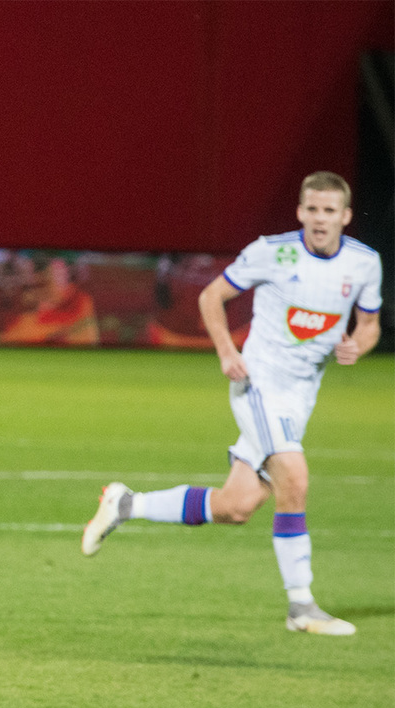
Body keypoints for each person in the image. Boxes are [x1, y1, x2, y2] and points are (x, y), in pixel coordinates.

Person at [82, 171, 383, 636]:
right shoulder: (272, 252)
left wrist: (358, 346)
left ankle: (125, 505)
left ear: (345, 216)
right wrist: (226, 351)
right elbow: (212, 297)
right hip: (259, 382)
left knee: (235, 506)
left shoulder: (364, 263)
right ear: (300, 212)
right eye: (312, 210)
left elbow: (370, 324)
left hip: (300, 397)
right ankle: (301, 606)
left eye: (329, 211)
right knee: (295, 477)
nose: (320, 219)